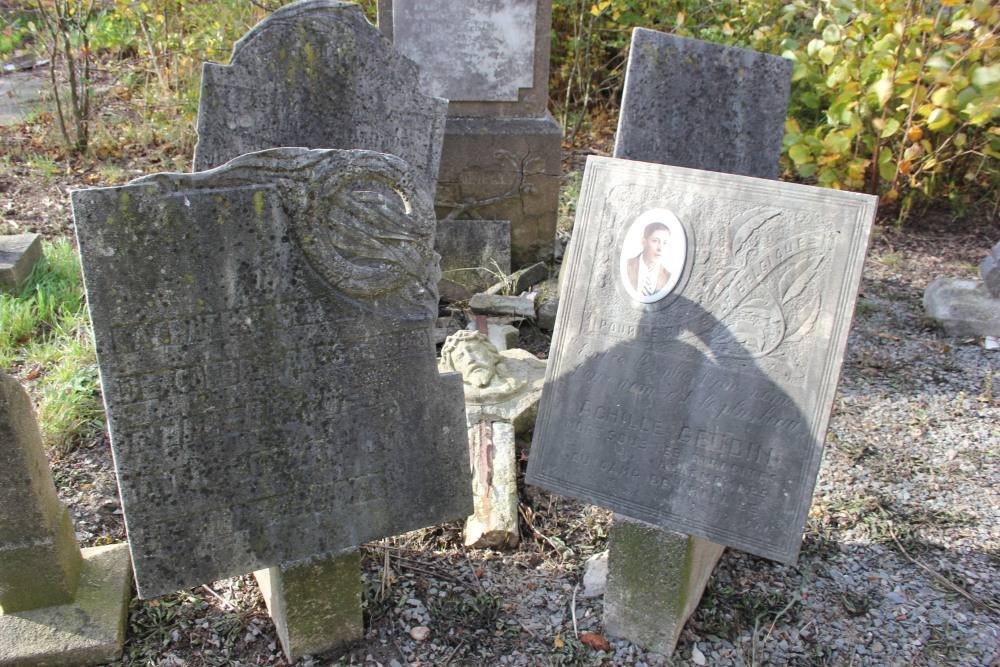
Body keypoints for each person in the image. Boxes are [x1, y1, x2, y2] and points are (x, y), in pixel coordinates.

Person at [626, 222, 672, 297]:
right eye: (655, 241)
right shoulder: (626, 265)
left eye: (664, 243)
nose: (660, 248)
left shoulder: (668, 278)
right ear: (644, 242)